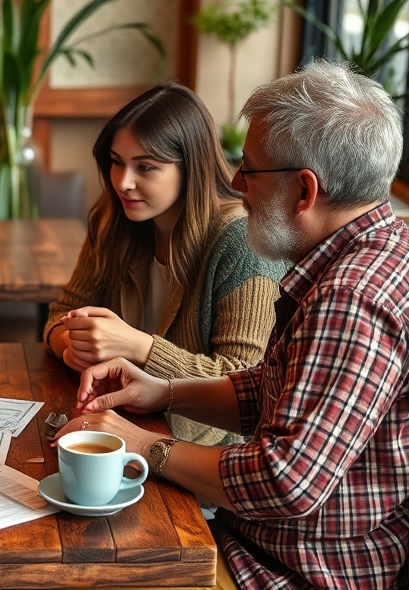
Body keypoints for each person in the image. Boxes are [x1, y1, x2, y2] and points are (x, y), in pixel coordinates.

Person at [0, 60, 409, 590]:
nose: (236, 179)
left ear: (305, 189)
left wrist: (141, 445)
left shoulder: (353, 299)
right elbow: (272, 390)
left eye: (250, 169)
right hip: (276, 554)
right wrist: (164, 394)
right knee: (36, 577)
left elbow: (287, 480)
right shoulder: (366, 256)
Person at [44, 83, 283, 445]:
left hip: (203, 460)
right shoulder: (113, 221)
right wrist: (73, 347)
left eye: (146, 167)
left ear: (192, 168)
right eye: (116, 161)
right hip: (117, 425)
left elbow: (243, 381)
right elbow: (58, 317)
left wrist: (137, 347)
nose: (123, 183)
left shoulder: (242, 241)